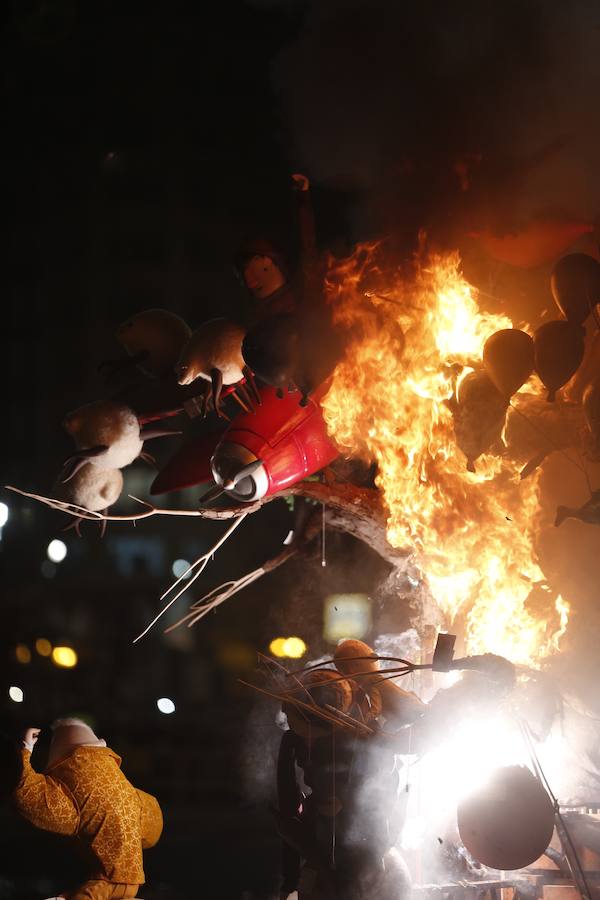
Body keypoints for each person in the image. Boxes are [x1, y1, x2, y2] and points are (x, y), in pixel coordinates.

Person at [12, 718, 162, 900]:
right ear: (103, 745)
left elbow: (26, 794)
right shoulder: (129, 793)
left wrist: (25, 748)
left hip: (105, 881)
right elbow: (153, 825)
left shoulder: (74, 794)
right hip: (136, 881)